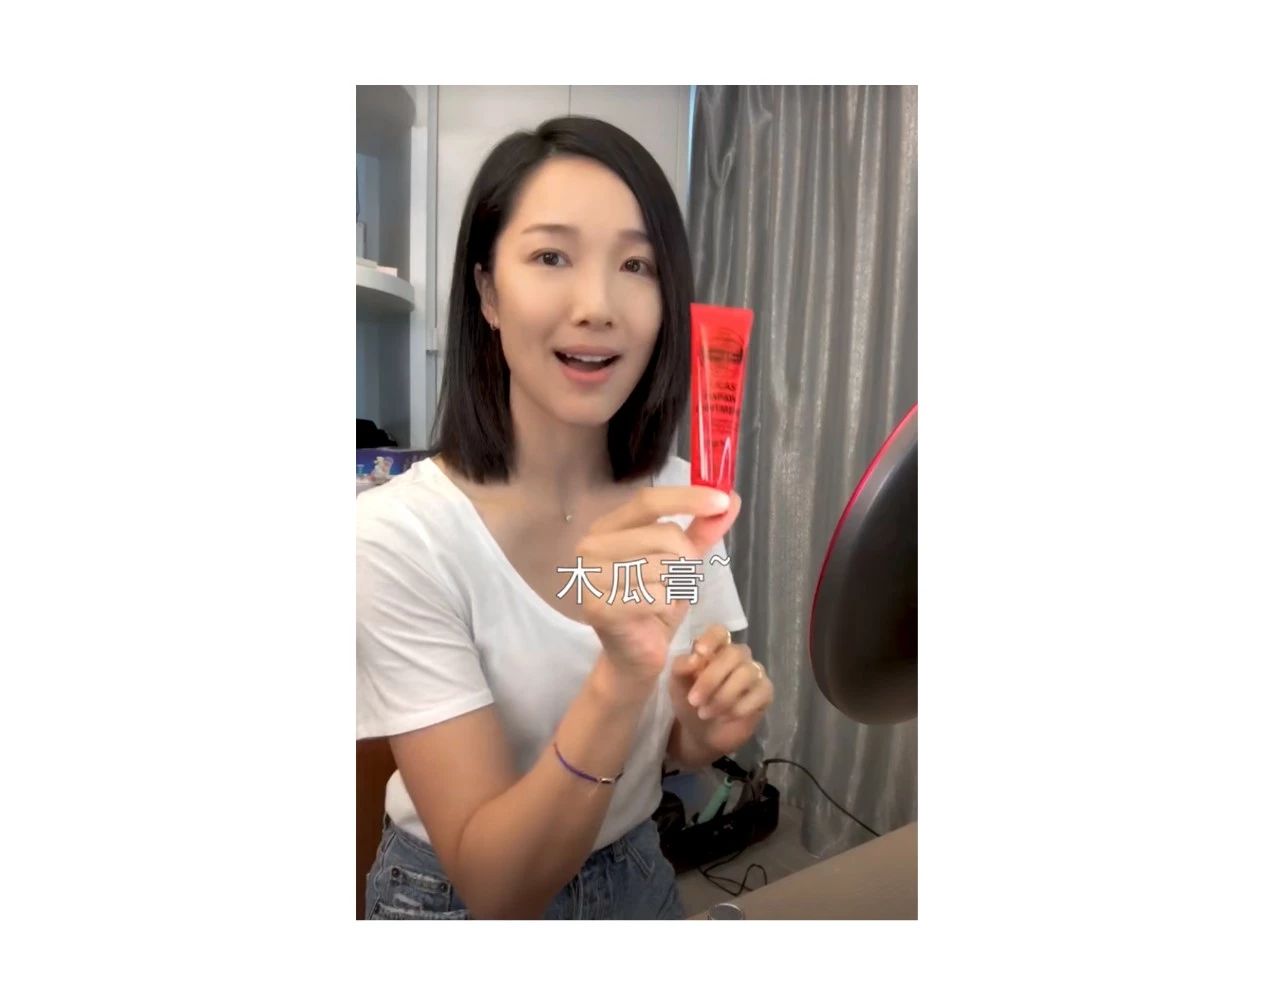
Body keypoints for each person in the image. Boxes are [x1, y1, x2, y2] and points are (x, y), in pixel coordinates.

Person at [356, 116, 774, 919]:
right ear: (487, 291)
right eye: (551, 256)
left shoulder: (681, 501)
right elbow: (498, 888)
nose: (597, 305)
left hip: (638, 869)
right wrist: (619, 678)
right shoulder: (400, 537)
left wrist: (707, 720)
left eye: (636, 264)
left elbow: (677, 738)